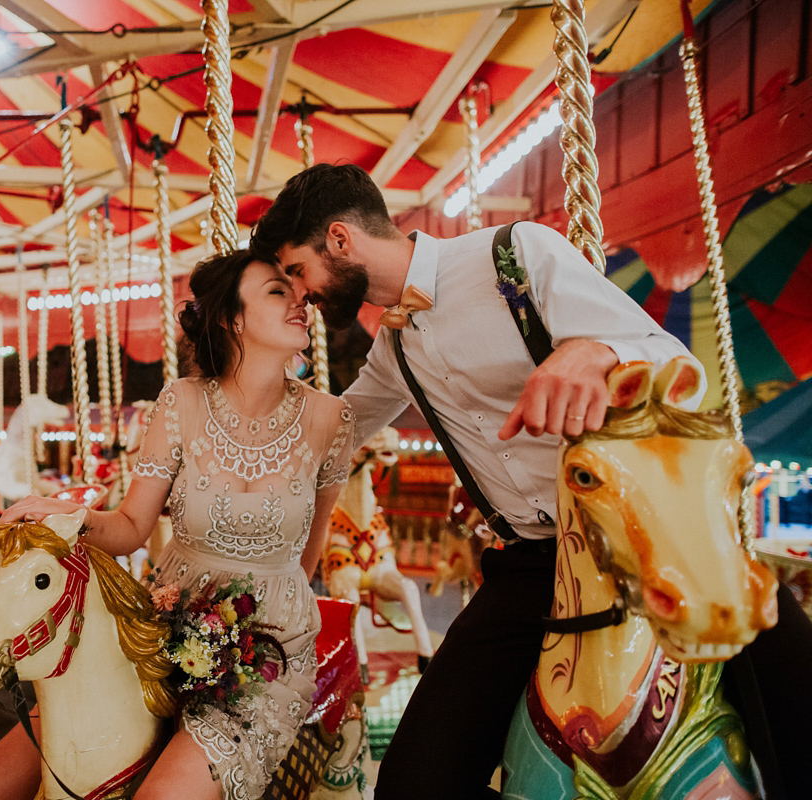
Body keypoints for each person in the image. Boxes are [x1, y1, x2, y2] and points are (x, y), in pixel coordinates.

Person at [250, 163, 812, 800]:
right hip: (531, 565)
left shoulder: (512, 256)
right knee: (413, 782)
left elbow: (677, 364)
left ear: (340, 239)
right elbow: (334, 432)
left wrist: (593, 352)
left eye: (298, 270)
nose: (302, 294)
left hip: (634, 538)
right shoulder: (395, 346)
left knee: (791, 683)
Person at [0, 249, 355, 800]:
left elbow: (307, 558)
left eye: (296, 291)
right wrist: (72, 516)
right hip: (165, 625)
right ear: (232, 319)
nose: (300, 299)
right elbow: (130, 526)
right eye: (277, 290)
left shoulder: (330, 419)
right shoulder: (182, 402)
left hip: (267, 652)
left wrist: (257, 633)